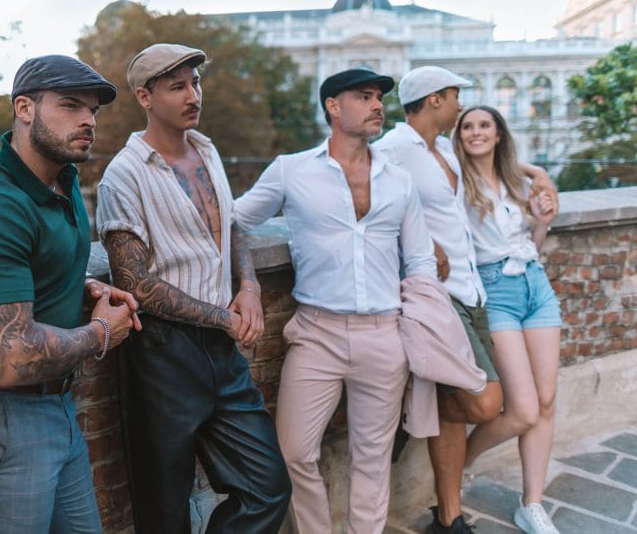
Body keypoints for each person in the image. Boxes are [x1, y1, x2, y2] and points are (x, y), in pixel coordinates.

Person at [0, 55, 139, 533]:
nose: (87, 120)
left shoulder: (60, 181)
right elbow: (10, 357)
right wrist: (103, 331)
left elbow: (36, 263)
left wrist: (82, 285)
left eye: (93, 111)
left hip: (55, 406)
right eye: (69, 106)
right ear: (24, 108)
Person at [98, 43, 290, 534]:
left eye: (195, 83)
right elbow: (134, 281)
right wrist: (223, 316)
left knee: (268, 487)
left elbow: (234, 225)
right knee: (163, 507)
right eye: (177, 86)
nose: (193, 95)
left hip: (221, 352)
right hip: (162, 352)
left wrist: (246, 285)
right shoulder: (125, 174)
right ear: (145, 96)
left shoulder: (206, 149)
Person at [235, 68, 437, 534]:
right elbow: (232, 221)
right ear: (332, 106)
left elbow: (421, 258)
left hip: (385, 335)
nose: (377, 106)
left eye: (378, 99)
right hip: (316, 333)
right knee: (293, 452)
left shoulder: (399, 181)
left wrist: (417, 324)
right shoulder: (292, 169)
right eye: (364, 97)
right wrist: (246, 282)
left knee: (372, 457)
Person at [374, 66, 504, 534]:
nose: (458, 106)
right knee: (487, 403)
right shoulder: (393, 148)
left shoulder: (443, 148)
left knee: (456, 407)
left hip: (472, 289)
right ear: (433, 100)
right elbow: (364, 203)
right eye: (454, 97)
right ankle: (410, 417)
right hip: (436, 295)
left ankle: (449, 518)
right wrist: (424, 246)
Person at [454, 106, 561, 534]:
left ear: (498, 134)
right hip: (494, 291)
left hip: (536, 286)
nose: (476, 133)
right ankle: (459, 459)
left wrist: (544, 224)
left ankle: (531, 504)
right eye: (467, 127)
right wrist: (538, 169)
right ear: (459, 136)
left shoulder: (515, 182)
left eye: (485, 126)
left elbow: (531, 244)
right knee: (522, 411)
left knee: (547, 401)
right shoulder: (456, 182)